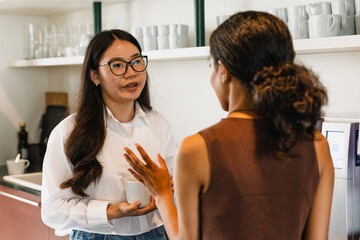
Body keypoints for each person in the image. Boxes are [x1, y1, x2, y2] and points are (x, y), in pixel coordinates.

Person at [124, 11, 334, 240]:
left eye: (211, 66)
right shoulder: (317, 145)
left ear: (223, 70)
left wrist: (163, 194)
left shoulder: (196, 149)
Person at [41, 29, 177, 240]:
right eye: (117, 65)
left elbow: (173, 186)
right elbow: (53, 210)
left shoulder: (159, 124)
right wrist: (111, 211)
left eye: (136, 61)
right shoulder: (68, 132)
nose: (131, 72)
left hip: (155, 233)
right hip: (98, 236)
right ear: (95, 75)